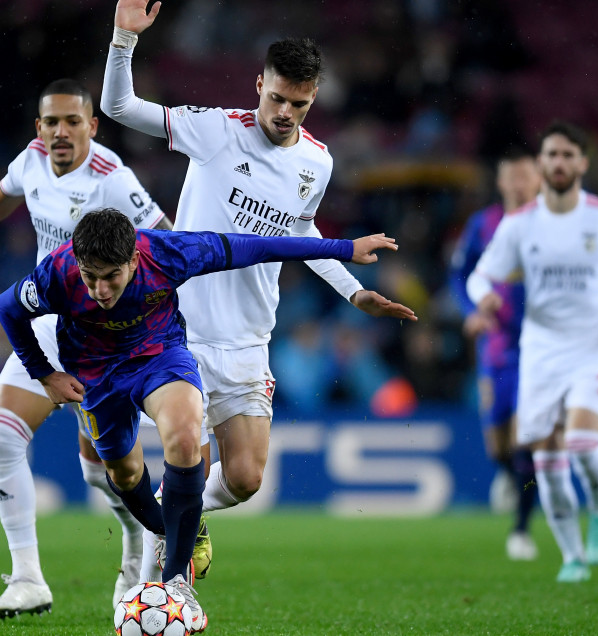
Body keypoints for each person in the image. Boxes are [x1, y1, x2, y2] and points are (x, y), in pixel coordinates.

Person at [101, 0, 417, 582]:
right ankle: (153, 592)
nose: (284, 112)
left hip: (248, 335)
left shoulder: (316, 163)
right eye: (276, 98)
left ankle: (182, 514)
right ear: (259, 86)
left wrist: (353, 293)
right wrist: (124, 41)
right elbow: (118, 106)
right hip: (182, 329)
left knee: (245, 477)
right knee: (180, 456)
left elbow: (300, 230)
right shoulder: (217, 130)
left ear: (315, 96)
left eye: (298, 103)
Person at [0, 208, 402, 633]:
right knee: (124, 470)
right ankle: (171, 527)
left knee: (188, 437)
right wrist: (44, 373)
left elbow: (258, 247)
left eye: (111, 276)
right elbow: (7, 309)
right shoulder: (57, 273)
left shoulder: (168, 253)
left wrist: (345, 248)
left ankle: (175, 583)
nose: (99, 289)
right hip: (95, 374)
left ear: (134, 259)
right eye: (90, 275)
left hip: (160, 357)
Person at [0, 78, 193, 616]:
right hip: (48, 324)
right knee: (1, 435)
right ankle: (28, 579)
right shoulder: (29, 161)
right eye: (51, 122)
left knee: (103, 472)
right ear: (39, 129)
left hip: (105, 333)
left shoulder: (113, 179)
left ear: (92, 126)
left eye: (73, 121)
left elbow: (166, 242)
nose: (60, 132)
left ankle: (139, 544)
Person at [467, 121, 598, 582]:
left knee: (583, 443)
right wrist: (482, 296)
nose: (560, 163)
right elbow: (480, 274)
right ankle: (573, 557)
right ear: (542, 164)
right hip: (541, 354)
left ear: (583, 163)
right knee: (546, 460)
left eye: (569, 155)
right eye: (552, 155)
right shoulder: (520, 224)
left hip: (594, 348)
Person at [449, 147, 542, 561]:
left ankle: (521, 530)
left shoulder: (555, 224)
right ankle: (511, 479)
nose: (521, 183)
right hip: (497, 347)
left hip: (542, 347)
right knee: (499, 448)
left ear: (538, 179)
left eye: (528, 175)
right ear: (502, 182)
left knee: (528, 441)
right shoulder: (483, 225)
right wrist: (472, 312)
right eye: (513, 176)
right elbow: (460, 273)